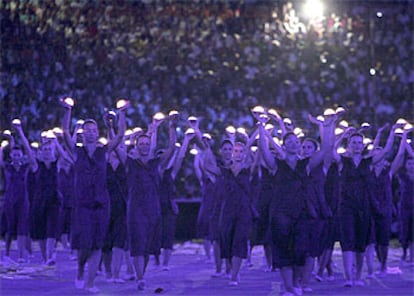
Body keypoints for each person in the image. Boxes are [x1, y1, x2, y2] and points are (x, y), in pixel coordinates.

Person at [259, 113, 334, 296]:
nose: (293, 143)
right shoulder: (277, 165)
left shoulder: (306, 165)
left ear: (299, 145)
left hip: (302, 214)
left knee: (301, 251)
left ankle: (297, 284)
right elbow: (264, 151)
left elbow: (326, 148)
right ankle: (289, 288)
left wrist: (327, 126)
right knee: (283, 252)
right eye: (289, 141)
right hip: (281, 214)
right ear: (284, 145)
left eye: (295, 141)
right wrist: (261, 127)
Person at [61, 98, 128, 293]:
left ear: (97, 132)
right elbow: (65, 133)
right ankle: (80, 269)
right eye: (87, 129)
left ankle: (90, 283)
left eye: (94, 129)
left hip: (101, 203)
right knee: (85, 245)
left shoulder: (104, 151)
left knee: (98, 244)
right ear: (83, 134)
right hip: (82, 204)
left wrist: (122, 113)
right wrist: (67, 111)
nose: (91, 131)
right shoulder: (77, 151)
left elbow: (121, 134)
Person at [333, 124, 397, 287]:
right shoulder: (343, 161)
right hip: (346, 206)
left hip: (364, 207)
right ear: (349, 145)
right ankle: (348, 278)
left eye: (359, 143)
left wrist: (391, 132)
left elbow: (387, 149)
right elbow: (330, 150)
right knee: (347, 242)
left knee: (361, 243)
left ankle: (358, 276)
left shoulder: (368, 161)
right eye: (353, 142)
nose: (356, 145)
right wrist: (341, 136)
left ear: (363, 146)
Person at [126, 116, 176, 290]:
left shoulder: (156, 163)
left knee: (147, 246)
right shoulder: (131, 163)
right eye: (141, 143)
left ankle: (142, 274)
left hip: (153, 208)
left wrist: (171, 128)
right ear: (137, 146)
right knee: (137, 243)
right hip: (136, 208)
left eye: (147, 143)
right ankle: (140, 277)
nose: (145, 146)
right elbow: (116, 147)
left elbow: (171, 148)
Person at [0, 121, 37, 264]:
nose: (16, 156)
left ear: (21, 156)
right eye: (14, 154)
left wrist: (19, 134)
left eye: (18, 154)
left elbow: (31, 158)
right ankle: (7, 253)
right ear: (12, 156)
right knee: (10, 228)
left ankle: (22, 255)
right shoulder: (7, 167)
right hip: (9, 199)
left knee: (23, 228)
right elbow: (1, 162)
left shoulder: (25, 167)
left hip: (23, 200)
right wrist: (3, 148)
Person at [390, 129, 414, 264]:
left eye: (413, 163)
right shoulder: (402, 176)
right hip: (404, 206)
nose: (411, 165)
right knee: (404, 231)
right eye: (409, 163)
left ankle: (412, 256)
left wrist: (405, 140)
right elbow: (399, 157)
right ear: (406, 165)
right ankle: (404, 253)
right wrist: (403, 141)